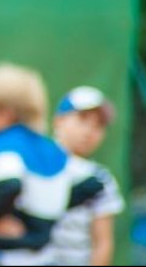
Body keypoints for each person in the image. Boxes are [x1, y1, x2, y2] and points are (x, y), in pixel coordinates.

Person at [0, 62, 81, 266]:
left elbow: (10, 185)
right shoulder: (53, 149)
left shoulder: (4, 144)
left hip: (5, 258)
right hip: (44, 256)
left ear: (6, 113)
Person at [48, 86, 125, 265]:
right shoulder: (34, 162)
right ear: (59, 121)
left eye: (98, 125)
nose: (89, 131)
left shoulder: (101, 179)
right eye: (82, 119)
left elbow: (103, 242)